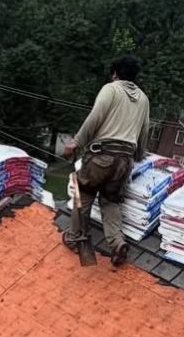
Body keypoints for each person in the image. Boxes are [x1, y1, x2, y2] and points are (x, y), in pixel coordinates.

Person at [63, 54, 151, 268]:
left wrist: (76, 142)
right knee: (110, 201)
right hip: (125, 161)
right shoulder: (144, 99)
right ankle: (117, 242)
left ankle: (75, 237)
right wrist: (138, 155)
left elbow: (96, 116)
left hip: (102, 154)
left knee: (81, 193)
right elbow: (144, 130)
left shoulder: (110, 89)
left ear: (114, 74)